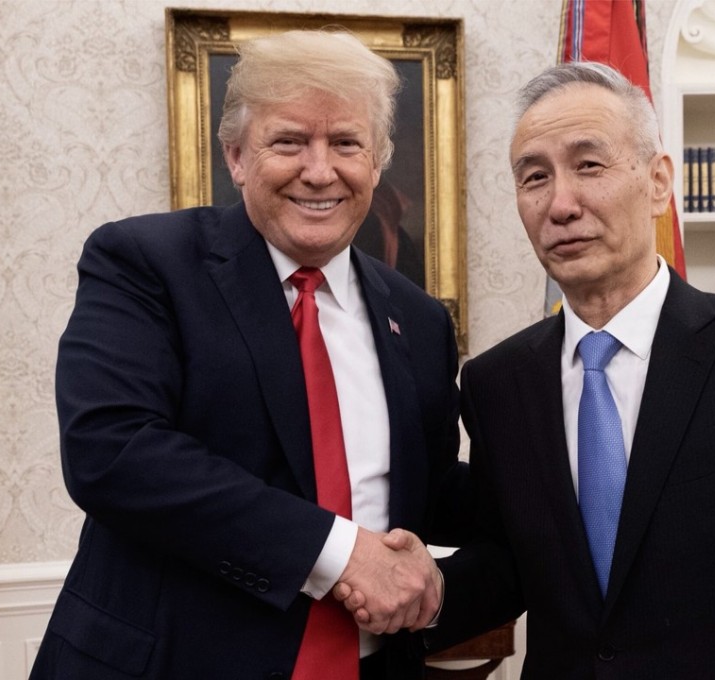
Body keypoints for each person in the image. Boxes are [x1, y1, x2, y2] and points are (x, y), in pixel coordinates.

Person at [370, 61, 715, 678]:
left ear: (657, 182)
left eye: (589, 165)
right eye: (534, 177)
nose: (560, 204)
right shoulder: (497, 383)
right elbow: (517, 563)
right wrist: (422, 588)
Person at [29, 29, 467, 680]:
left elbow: (429, 496)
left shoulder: (422, 321)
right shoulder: (145, 263)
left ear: (377, 162)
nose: (319, 171)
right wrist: (339, 552)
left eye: (346, 143)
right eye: (289, 141)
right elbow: (112, 449)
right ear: (236, 156)